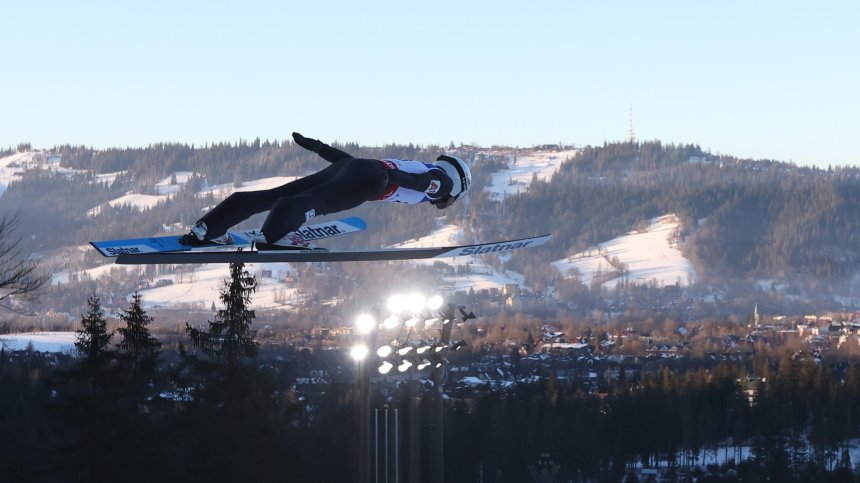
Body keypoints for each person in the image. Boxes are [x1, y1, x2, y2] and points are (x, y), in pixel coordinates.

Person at [181, 132, 471, 248]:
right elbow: (421, 184)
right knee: (311, 203)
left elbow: (350, 162)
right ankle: (273, 238)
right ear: (457, 185)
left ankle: (209, 228)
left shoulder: (423, 166)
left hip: (355, 167)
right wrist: (390, 177)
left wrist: (320, 148)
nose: (446, 202)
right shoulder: (440, 182)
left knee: (273, 196)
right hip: (369, 181)